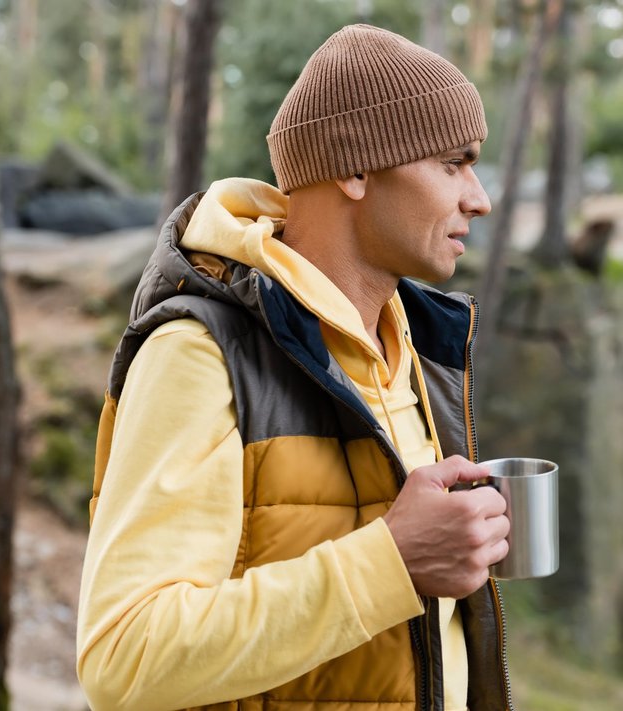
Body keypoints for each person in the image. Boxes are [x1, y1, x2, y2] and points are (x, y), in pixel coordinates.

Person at [77, 24, 513, 711]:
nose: (478, 197)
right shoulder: (199, 354)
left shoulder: (415, 345)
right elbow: (123, 656)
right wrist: (391, 562)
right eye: (453, 163)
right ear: (358, 169)